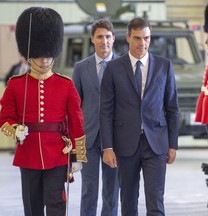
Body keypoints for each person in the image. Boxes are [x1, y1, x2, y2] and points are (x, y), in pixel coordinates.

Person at [0, 7, 87, 216]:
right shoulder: (16, 85)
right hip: (28, 153)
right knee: (32, 206)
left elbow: (76, 122)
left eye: (49, 55)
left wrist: (77, 156)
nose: (45, 59)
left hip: (57, 154)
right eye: (40, 55)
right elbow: (4, 118)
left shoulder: (66, 85)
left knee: (56, 204)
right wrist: (14, 131)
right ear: (30, 55)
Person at [100, 17, 179, 216]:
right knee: (128, 201)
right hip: (125, 144)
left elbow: (172, 108)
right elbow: (106, 110)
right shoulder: (113, 68)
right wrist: (107, 147)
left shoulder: (164, 66)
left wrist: (173, 144)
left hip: (157, 144)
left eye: (146, 38)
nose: (142, 43)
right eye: (137, 38)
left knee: (155, 201)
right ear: (128, 37)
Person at [72, 19, 119, 216]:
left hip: (115, 139)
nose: (104, 41)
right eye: (99, 37)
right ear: (92, 39)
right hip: (89, 138)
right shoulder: (81, 68)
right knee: (88, 191)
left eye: (108, 37)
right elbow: (74, 107)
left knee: (112, 191)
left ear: (114, 39)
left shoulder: (123, 66)